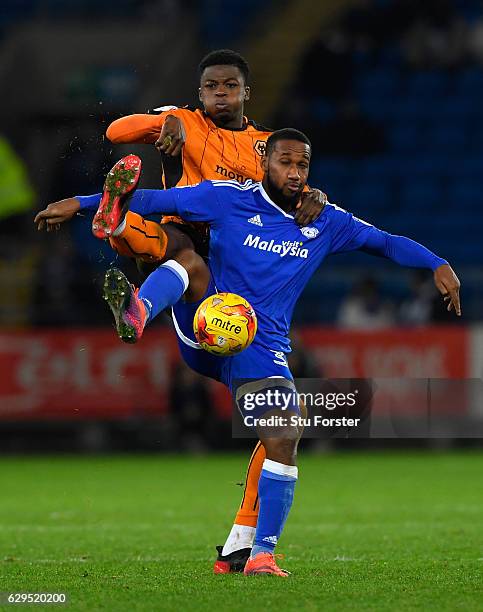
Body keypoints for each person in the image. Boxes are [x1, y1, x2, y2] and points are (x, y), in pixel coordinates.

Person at [35, 129, 462, 575]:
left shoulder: (326, 220)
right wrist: (81, 203)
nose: (294, 173)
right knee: (190, 262)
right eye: (285, 163)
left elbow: (386, 242)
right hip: (206, 322)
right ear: (265, 163)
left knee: (283, 435)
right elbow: (153, 202)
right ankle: (138, 312)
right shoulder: (228, 198)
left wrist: (437, 263)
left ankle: (257, 552)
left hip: (259, 345)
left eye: (302, 165)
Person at [34, 49, 328, 573]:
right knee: (179, 249)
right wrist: (162, 122)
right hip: (189, 250)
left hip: (240, 280)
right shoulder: (185, 123)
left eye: (229, 86)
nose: (220, 94)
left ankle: (242, 546)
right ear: (199, 94)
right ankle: (122, 241)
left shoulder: (266, 145)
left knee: (278, 421)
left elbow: (290, 184)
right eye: (211, 86)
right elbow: (117, 132)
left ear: (245, 92)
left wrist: (315, 195)